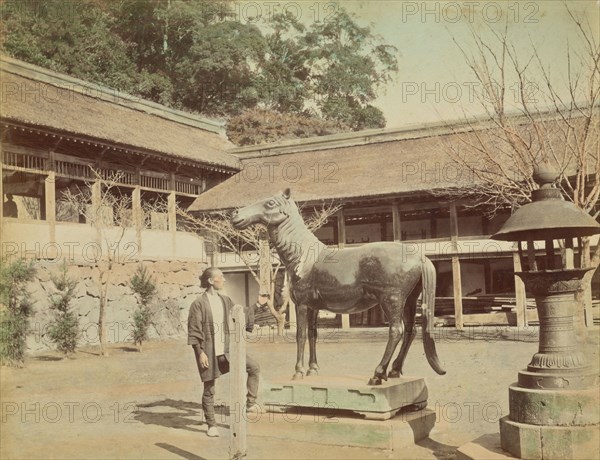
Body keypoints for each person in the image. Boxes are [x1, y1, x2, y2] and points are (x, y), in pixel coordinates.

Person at [187, 267, 260, 438]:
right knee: (209, 388)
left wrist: (257, 305)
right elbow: (194, 331)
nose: (224, 280)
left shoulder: (225, 300)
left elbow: (240, 314)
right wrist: (200, 353)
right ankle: (211, 425)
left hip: (228, 351)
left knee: (254, 368)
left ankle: (250, 403)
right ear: (211, 281)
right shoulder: (198, 304)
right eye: (221, 277)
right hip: (209, 353)